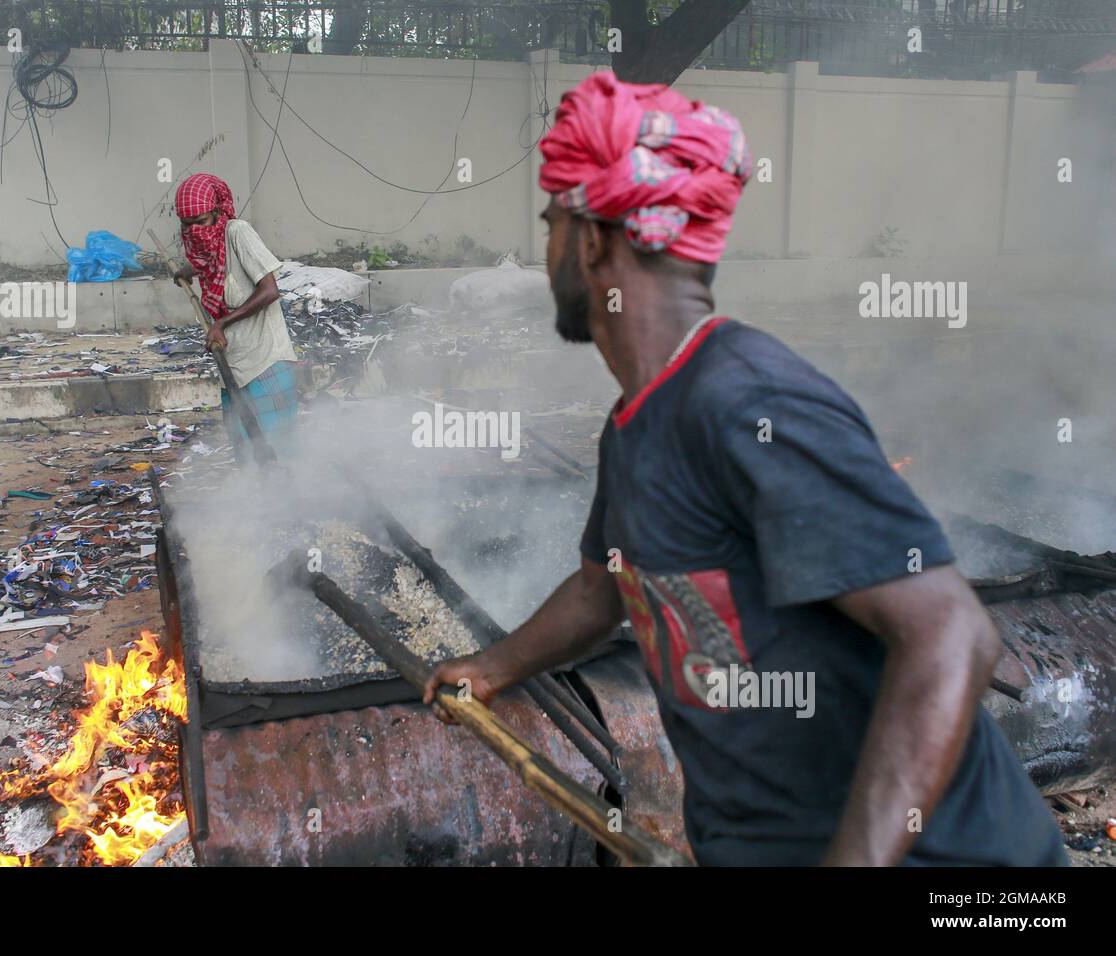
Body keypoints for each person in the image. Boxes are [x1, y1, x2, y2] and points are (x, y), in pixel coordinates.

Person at [423, 72, 1066, 867]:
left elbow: (951, 633)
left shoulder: (748, 402)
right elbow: (602, 588)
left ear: (593, 241)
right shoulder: (638, 421)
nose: (549, 246)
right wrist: (490, 668)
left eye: (552, 223)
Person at [173, 173, 298, 462]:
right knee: (244, 447)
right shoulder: (204, 243)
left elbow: (269, 291)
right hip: (234, 364)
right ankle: (252, 503)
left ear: (217, 212)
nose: (194, 231)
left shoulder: (237, 231)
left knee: (275, 446)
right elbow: (212, 264)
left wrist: (222, 323)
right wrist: (187, 272)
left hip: (265, 363)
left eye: (201, 222)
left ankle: (288, 503)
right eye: (186, 225)